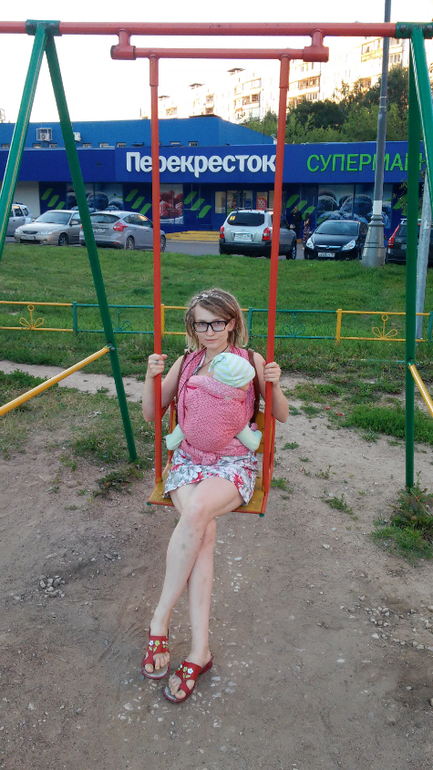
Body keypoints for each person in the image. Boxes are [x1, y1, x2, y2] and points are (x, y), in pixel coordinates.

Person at [141, 288, 289, 703]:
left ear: (232, 323)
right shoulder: (185, 362)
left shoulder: (250, 360)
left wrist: (274, 384)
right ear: (192, 325)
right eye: (200, 323)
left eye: (217, 323)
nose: (209, 331)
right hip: (188, 462)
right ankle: (199, 652)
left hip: (231, 465)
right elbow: (152, 414)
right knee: (202, 533)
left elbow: (280, 414)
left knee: (196, 514)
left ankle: (159, 622)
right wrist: (150, 377)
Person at [165, 351, 262, 453]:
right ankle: (257, 436)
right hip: (219, 441)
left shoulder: (198, 388)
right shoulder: (234, 407)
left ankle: (171, 442)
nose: (250, 383)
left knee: (186, 422)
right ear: (235, 383)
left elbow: (189, 403)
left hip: (192, 431)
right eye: (247, 380)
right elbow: (241, 421)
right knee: (243, 430)